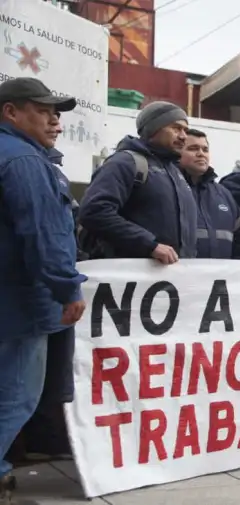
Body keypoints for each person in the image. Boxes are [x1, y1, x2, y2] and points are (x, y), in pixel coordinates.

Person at [0, 77, 87, 499]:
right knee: (15, 397)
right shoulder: (24, 161)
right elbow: (43, 233)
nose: (55, 121)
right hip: (18, 303)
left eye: (57, 113)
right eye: (43, 110)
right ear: (10, 112)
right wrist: (67, 288)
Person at [79, 101, 197, 263]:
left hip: (174, 274)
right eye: (176, 128)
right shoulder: (125, 163)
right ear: (153, 129)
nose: (183, 136)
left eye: (185, 130)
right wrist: (150, 245)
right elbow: (94, 211)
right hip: (130, 273)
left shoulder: (176, 172)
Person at [180, 129, 240, 259]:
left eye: (205, 150)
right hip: (177, 271)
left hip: (221, 272)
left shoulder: (223, 194)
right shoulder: (169, 189)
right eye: (193, 148)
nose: (201, 154)